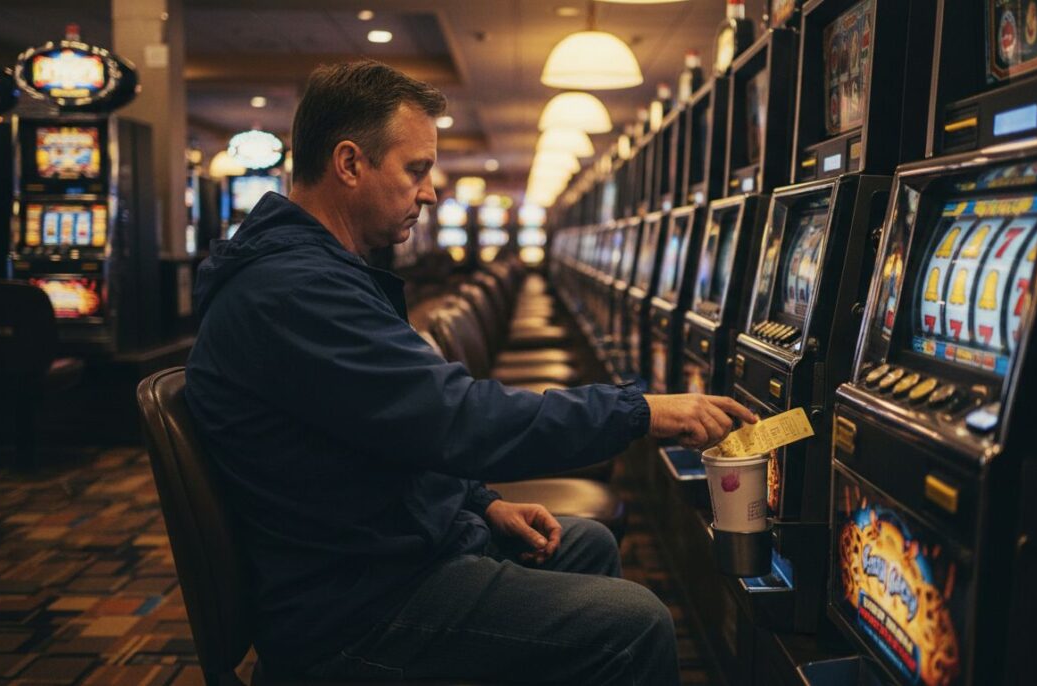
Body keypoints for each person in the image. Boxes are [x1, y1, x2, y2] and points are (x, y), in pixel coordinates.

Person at [185, 60, 755, 685]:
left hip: (370, 547)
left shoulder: (317, 272)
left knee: (586, 542)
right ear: (349, 164)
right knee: (636, 625)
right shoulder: (294, 290)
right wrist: (638, 410)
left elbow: (391, 424)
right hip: (351, 609)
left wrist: (478, 503)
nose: (431, 193)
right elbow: (451, 417)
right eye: (416, 170)